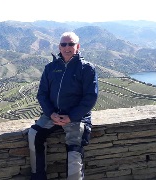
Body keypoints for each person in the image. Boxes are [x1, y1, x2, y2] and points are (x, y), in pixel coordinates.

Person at [28, 31, 98, 180]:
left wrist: (71, 116)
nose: (67, 47)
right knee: (34, 134)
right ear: (59, 47)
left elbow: (90, 97)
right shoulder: (50, 68)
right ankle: (38, 177)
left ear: (77, 47)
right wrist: (51, 113)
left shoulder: (87, 68)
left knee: (74, 151)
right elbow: (42, 94)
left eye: (71, 44)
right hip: (52, 115)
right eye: (64, 44)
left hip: (76, 117)